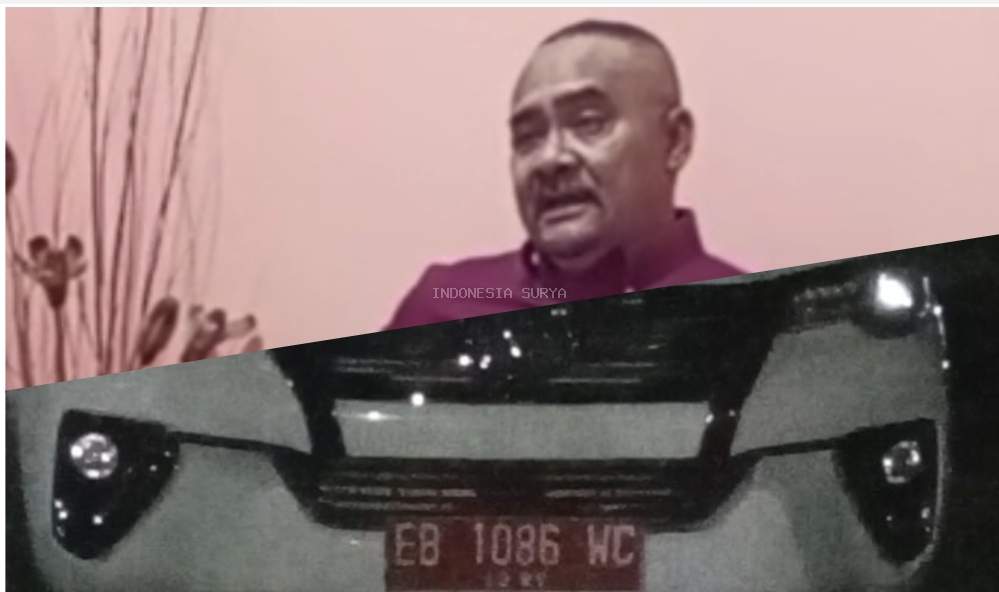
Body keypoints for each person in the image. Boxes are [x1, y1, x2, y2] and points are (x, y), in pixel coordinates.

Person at [387, 19, 744, 330]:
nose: (549, 159)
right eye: (528, 137)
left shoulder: (749, 321)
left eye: (589, 123)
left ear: (675, 141)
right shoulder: (447, 301)